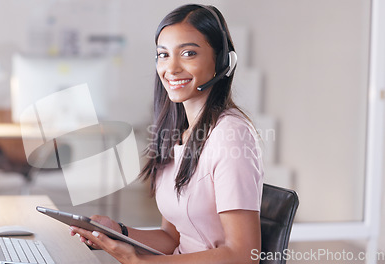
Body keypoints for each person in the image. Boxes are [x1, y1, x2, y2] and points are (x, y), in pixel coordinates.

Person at [70, 4, 264, 263]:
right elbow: (172, 239)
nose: (171, 68)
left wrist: (142, 262)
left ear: (221, 61)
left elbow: (244, 255)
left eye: (188, 53)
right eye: (163, 55)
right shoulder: (177, 134)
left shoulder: (231, 134)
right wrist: (118, 232)